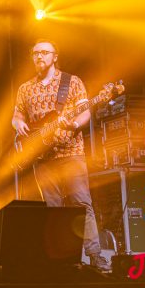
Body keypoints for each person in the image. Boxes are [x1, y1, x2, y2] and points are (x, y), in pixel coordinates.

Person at [11, 39, 107, 270]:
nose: (39, 57)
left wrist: (73, 124)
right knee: (52, 210)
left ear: (55, 56)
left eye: (44, 52)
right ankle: (61, 259)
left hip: (70, 152)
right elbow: (17, 115)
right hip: (42, 158)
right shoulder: (25, 88)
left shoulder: (71, 82)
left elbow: (85, 111)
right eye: (35, 53)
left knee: (81, 203)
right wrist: (18, 125)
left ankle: (94, 255)